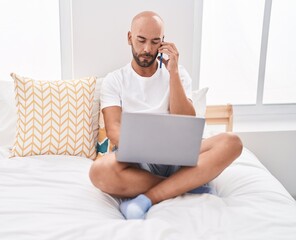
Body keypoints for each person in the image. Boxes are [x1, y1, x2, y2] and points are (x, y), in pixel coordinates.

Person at [89, 11, 243, 220]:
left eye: (155, 42)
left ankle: (147, 198)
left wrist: (174, 73)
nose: (147, 49)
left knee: (232, 142)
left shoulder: (178, 75)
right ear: (129, 38)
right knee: (98, 171)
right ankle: (188, 183)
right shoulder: (114, 80)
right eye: (141, 40)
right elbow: (114, 131)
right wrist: (147, 148)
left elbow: (187, 121)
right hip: (138, 159)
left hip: (178, 154)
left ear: (163, 42)